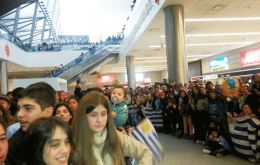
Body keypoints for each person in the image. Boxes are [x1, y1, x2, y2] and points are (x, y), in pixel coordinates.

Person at [72, 92, 152, 165]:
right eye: (93, 115)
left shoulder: (115, 136)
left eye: (103, 114)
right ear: (83, 116)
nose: (99, 120)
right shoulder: (72, 142)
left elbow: (145, 152)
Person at [6, 82, 56, 165]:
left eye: (28, 109)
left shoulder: (64, 136)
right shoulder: (13, 147)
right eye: (19, 108)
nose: (19, 114)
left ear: (48, 112)